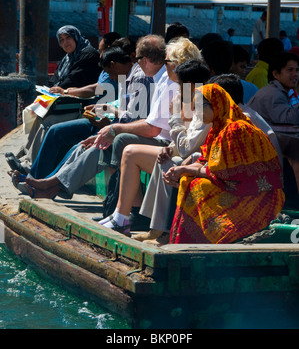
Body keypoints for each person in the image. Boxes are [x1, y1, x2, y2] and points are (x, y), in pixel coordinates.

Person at [13, 35, 177, 199]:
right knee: (84, 144)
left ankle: (50, 185)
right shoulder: (157, 77)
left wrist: (113, 127)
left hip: (154, 137)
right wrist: (109, 116)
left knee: (101, 144)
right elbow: (137, 114)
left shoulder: (158, 79)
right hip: (131, 127)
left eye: (168, 61)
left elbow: (150, 126)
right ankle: (49, 184)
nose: (136, 63)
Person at [135, 73, 283, 245]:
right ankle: (183, 238)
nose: (196, 112)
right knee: (187, 180)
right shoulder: (218, 127)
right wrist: (182, 170)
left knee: (198, 186)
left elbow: (221, 170)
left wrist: (183, 169)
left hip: (258, 193)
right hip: (237, 184)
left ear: (216, 104)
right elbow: (207, 157)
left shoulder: (236, 128)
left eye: (200, 106)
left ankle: (220, 235)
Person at [97, 56, 209, 235]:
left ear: (189, 84)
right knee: (129, 151)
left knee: (134, 152)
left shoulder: (204, 105)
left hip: (195, 160)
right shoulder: (190, 99)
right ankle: (121, 215)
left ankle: (132, 221)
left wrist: (175, 118)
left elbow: (189, 147)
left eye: (180, 84)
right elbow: (184, 140)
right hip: (181, 152)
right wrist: (169, 148)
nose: (178, 88)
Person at [10, 45, 152, 182]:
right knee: (55, 131)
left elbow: (134, 118)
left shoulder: (138, 79)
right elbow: (121, 105)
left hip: (114, 126)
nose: (110, 77)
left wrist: (109, 116)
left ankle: (42, 183)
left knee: (78, 147)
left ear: (113, 65)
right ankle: (36, 178)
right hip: (106, 121)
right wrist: (103, 109)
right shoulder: (123, 77)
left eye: (109, 73)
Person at [247, 51, 299, 191]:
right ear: (276, 74)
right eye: (290, 70)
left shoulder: (279, 91)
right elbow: (289, 120)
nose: (295, 74)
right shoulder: (273, 94)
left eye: (297, 70)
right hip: (259, 145)